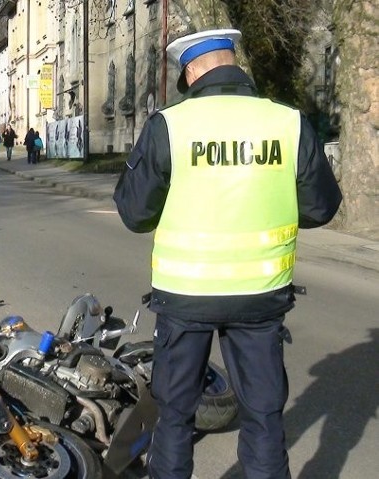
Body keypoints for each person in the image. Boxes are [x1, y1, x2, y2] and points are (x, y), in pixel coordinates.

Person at [112, 29, 341, 479]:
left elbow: (135, 214)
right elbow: (320, 206)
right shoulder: (287, 122)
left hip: (186, 296)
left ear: (193, 71)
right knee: (263, 414)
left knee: (175, 415)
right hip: (261, 296)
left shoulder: (171, 125)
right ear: (233, 63)